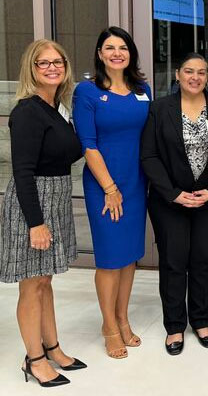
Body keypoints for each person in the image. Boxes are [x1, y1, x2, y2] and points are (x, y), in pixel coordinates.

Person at [141, 53, 208, 355]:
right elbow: (149, 156)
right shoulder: (159, 109)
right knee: (173, 261)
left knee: (203, 259)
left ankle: (200, 319)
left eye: (201, 72)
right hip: (169, 200)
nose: (195, 77)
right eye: (188, 71)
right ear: (177, 75)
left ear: (207, 77)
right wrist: (172, 193)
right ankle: (174, 325)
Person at [0, 39, 86, 387]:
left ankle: (52, 346)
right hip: (32, 202)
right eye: (43, 63)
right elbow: (23, 171)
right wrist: (36, 223)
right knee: (31, 286)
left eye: (58, 61)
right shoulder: (26, 112)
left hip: (57, 196)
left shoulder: (57, 108)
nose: (52, 67)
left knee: (45, 280)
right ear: (31, 69)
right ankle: (34, 360)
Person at [73, 26, 151, 359]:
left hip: (136, 182)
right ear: (100, 54)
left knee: (130, 254)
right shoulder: (87, 92)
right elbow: (88, 144)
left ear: (130, 53)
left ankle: (122, 317)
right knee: (109, 258)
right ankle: (108, 326)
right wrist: (109, 187)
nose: (116, 52)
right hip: (104, 184)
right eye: (109, 47)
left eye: (122, 47)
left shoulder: (142, 89)